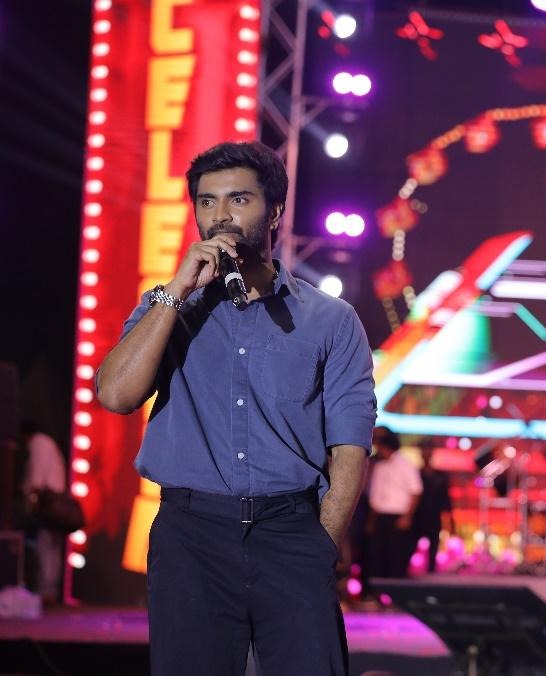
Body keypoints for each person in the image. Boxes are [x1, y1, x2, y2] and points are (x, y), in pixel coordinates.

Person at [96, 141, 376, 676]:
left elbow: (350, 443)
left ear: (274, 211)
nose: (220, 215)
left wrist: (321, 542)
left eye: (238, 199)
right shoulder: (167, 308)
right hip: (191, 535)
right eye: (207, 202)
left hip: (291, 532)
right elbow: (115, 396)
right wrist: (177, 290)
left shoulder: (331, 320)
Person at [364, 427, 422, 585]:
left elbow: (416, 492)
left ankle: (394, 592)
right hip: (379, 517)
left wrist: (407, 517)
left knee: (396, 558)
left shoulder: (405, 464)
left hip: (398, 517)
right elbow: (374, 495)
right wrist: (371, 521)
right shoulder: (377, 466)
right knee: (376, 557)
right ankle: (375, 592)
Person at [20, 421, 67, 605]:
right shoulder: (49, 443)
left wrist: (30, 502)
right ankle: (50, 590)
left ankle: (45, 592)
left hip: (47, 502)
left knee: (45, 546)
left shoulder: (38, 443)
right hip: (57, 500)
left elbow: (36, 477)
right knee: (52, 548)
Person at [412, 438, 455, 573]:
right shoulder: (415, 473)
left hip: (434, 515)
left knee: (434, 543)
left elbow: (445, 499)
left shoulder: (441, 476)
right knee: (411, 543)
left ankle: (431, 568)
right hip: (417, 515)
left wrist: (449, 520)